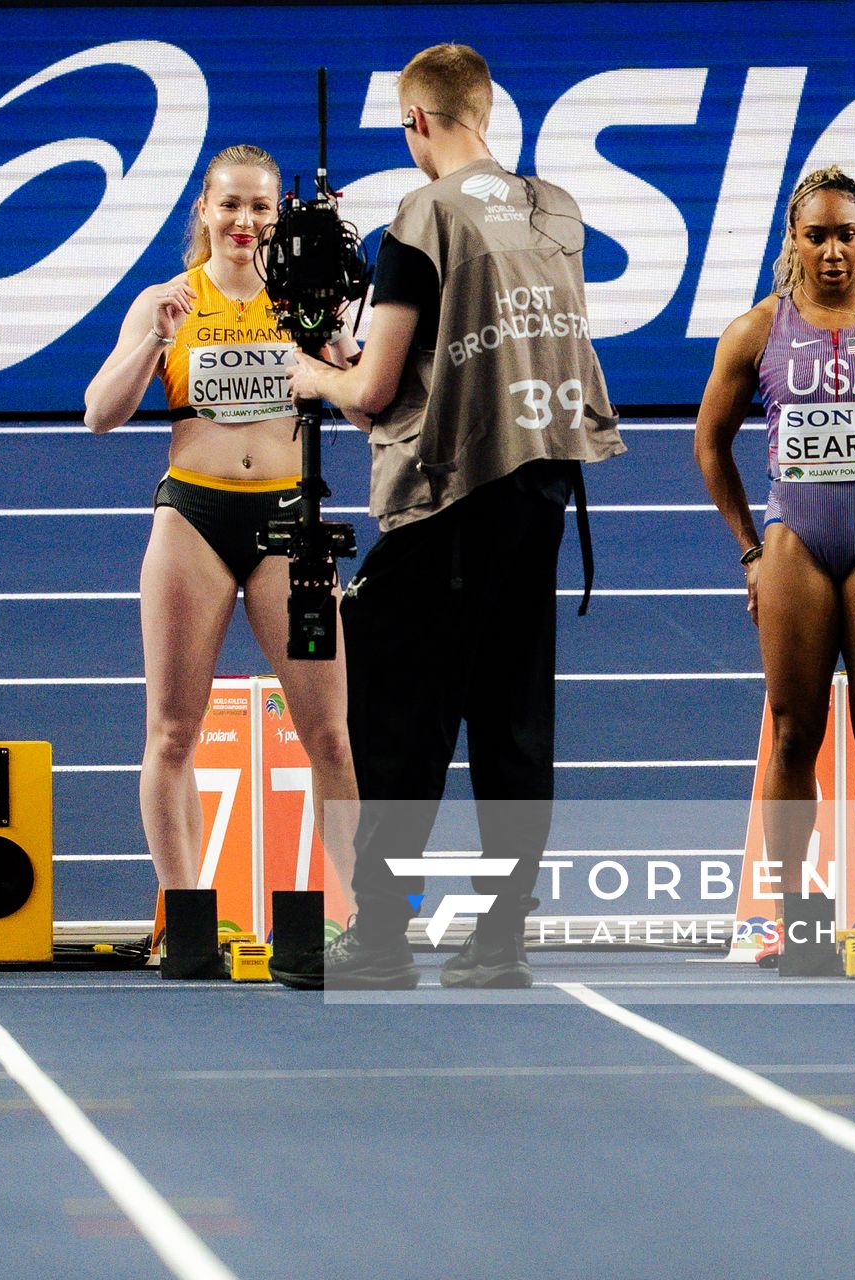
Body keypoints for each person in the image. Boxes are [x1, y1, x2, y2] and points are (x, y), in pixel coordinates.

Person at [289, 44, 625, 989]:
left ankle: (383, 938)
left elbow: (373, 390)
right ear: (485, 112)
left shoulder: (420, 217)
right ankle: (499, 942)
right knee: (515, 725)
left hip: (446, 502)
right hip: (541, 487)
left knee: (401, 726)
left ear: (416, 124)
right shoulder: (554, 210)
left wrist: (311, 368)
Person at [83, 144, 362, 919]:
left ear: (280, 215)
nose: (245, 221)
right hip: (193, 520)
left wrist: (335, 336)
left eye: (260, 207)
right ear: (203, 210)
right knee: (172, 732)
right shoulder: (167, 298)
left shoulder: (304, 302)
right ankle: (187, 916)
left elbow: (366, 409)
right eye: (230, 205)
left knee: (332, 737)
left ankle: (356, 915)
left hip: (287, 524)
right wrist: (152, 341)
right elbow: (98, 415)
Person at [692, 164, 855, 953]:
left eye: (848, 234)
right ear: (794, 243)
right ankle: (788, 916)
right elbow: (709, 445)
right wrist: (749, 547)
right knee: (791, 733)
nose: (835, 251)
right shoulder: (753, 333)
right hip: (793, 544)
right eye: (818, 236)